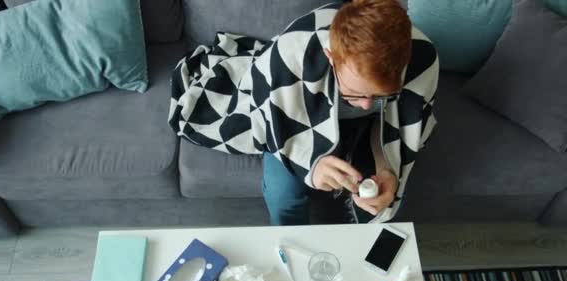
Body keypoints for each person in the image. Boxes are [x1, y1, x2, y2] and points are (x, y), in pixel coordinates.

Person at [169, 0, 439, 225]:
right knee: (284, 193)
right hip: (294, 113)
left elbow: (393, 123)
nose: (367, 104)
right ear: (331, 56)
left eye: (380, 95)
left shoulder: (420, 60)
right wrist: (311, 164)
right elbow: (271, 117)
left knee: (381, 199)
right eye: (355, 93)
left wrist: (387, 169)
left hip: (365, 129)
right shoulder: (291, 52)